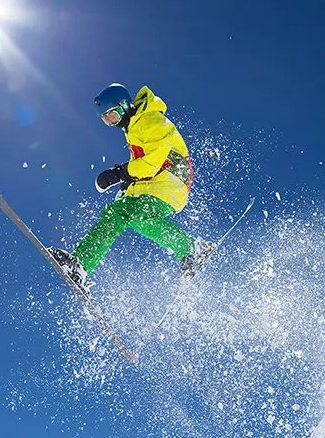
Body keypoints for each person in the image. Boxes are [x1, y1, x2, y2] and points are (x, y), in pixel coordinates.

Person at [47, 83, 215, 292]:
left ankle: (191, 248)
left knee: (131, 215)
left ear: (125, 105)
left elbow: (153, 161)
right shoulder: (134, 128)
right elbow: (143, 166)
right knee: (116, 213)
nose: (113, 122)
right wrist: (127, 185)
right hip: (156, 184)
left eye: (113, 115)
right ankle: (79, 266)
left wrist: (119, 173)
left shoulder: (151, 120)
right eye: (107, 120)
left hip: (172, 183)